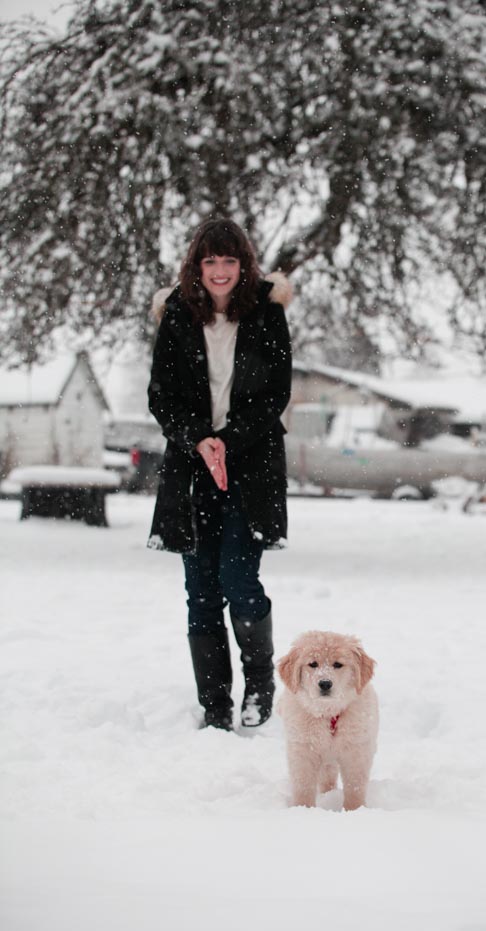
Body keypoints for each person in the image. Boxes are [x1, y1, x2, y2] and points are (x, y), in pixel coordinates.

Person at [147, 219, 292, 730]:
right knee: (201, 589)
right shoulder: (177, 319)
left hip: (250, 468)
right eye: (211, 261)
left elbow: (276, 394)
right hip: (190, 470)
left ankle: (260, 688)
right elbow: (160, 396)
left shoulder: (267, 316)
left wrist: (227, 441)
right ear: (197, 266)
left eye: (230, 261)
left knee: (238, 577)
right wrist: (197, 438)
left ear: (243, 265)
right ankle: (215, 705)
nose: (221, 271)